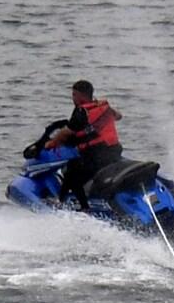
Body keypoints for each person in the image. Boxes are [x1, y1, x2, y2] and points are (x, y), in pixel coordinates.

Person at [44, 79, 124, 209]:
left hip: (97, 156)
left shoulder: (82, 112)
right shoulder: (102, 107)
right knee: (75, 165)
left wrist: (51, 144)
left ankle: (80, 207)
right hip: (114, 151)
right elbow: (119, 116)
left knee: (72, 174)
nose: (73, 98)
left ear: (81, 95)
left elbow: (66, 133)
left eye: (74, 95)